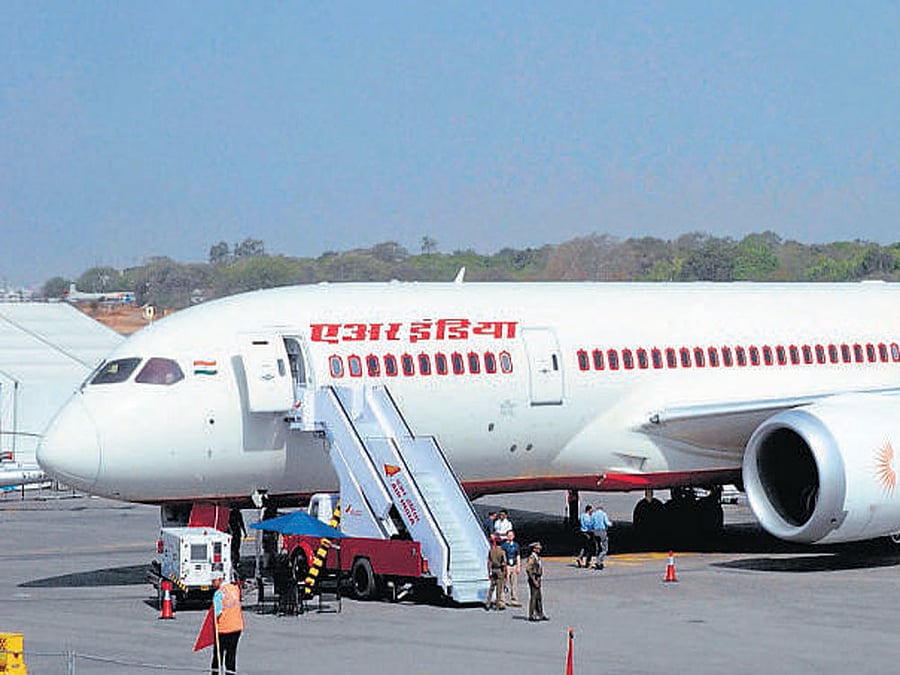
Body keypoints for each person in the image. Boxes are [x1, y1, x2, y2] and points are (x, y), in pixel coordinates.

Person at [210, 573, 244, 675]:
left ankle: (215, 673)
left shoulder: (219, 593)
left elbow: (217, 612)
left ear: (220, 580)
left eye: (213, 581)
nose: (212, 584)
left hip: (224, 628)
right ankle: (230, 672)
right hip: (237, 626)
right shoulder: (234, 589)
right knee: (231, 653)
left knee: (218, 654)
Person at [525, 541, 548, 621]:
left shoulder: (537, 557)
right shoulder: (532, 557)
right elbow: (528, 569)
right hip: (534, 578)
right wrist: (534, 580)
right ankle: (531, 615)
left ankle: (540, 613)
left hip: (538, 578)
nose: (539, 550)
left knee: (539, 597)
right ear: (534, 549)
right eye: (538, 548)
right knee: (534, 597)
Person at [485, 534, 507, 610]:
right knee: (499, 588)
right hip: (499, 570)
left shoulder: (491, 551)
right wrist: (505, 573)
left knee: (491, 588)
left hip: (493, 569)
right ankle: (497, 604)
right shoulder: (502, 552)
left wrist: (489, 572)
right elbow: (504, 563)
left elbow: (489, 562)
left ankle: (488, 603)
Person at [501, 529, 522, 607]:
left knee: (514, 583)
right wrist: (505, 566)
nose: (510, 537)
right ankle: (502, 600)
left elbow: (518, 556)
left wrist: (518, 566)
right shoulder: (504, 546)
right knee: (505, 583)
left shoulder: (516, 545)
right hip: (507, 566)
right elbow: (503, 556)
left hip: (514, 565)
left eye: (511, 535)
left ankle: (514, 599)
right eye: (509, 535)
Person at [591, 503, 613, 570]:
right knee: (605, 549)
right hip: (602, 531)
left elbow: (591, 524)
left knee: (598, 548)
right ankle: (599, 561)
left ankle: (599, 562)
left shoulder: (593, 514)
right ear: (602, 509)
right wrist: (611, 524)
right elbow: (607, 523)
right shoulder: (603, 514)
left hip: (595, 532)